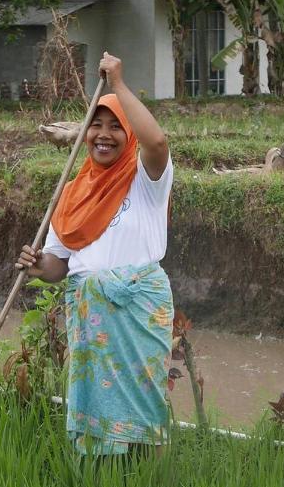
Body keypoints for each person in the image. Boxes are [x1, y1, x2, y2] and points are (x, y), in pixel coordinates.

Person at [16, 52, 174, 457]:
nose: (103, 135)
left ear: (129, 135)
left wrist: (119, 84)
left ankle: (146, 480)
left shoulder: (146, 180)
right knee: (94, 404)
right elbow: (58, 265)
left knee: (143, 398)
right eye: (95, 126)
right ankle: (100, 479)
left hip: (138, 309)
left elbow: (157, 141)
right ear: (84, 134)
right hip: (90, 314)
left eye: (115, 127)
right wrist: (37, 266)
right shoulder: (72, 193)